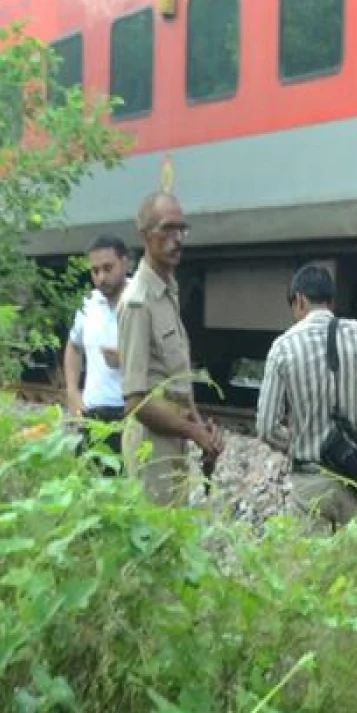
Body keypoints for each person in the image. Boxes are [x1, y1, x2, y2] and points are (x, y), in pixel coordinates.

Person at [253, 262, 357, 531]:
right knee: (349, 568)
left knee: (311, 569)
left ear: (299, 300)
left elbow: (266, 427)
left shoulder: (283, 347)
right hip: (352, 477)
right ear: (331, 301)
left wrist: (297, 443)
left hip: (309, 480)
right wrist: (355, 432)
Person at [116, 192, 224, 505]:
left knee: (174, 536)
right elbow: (135, 401)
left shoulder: (168, 293)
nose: (177, 239)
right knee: (157, 540)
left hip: (172, 440)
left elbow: (174, 381)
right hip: (151, 447)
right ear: (144, 235)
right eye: (167, 229)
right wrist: (194, 433)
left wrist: (200, 425)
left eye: (182, 230)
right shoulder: (138, 302)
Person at [62, 233, 131, 462]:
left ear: (125, 262)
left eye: (108, 268)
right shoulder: (88, 304)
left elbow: (168, 359)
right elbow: (73, 346)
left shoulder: (141, 303)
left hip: (132, 414)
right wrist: (72, 391)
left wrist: (128, 359)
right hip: (93, 416)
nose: (101, 277)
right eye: (95, 271)